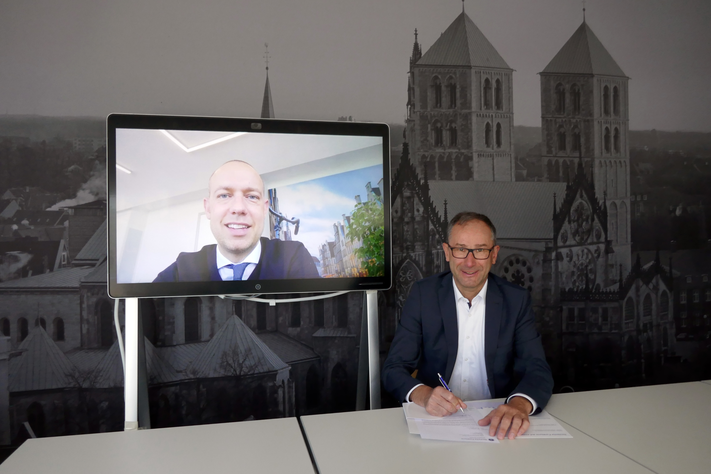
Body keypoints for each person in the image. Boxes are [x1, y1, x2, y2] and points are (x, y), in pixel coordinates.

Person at [382, 212, 553, 440]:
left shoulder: (516, 299)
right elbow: (393, 368)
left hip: (497, 424)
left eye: (480, 250)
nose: (469, 262)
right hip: (436, 423)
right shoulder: (424, 294)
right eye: (461, 249)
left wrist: (520, 404)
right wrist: (424, 395)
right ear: (447, 252)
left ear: (494, 254)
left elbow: (537, 368)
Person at [154, 160, 320, 282]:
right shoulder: (182, 270)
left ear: (264, 209)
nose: (238, 208)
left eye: (252, 196)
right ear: (208, 208)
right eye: (224, 195)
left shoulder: (292, 257)